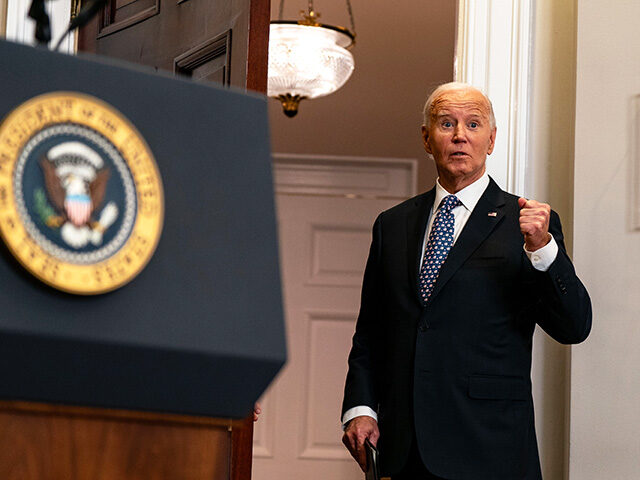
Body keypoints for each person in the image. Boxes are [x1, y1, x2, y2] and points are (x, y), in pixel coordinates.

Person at [340, 82, 592, 480]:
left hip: (491, 450)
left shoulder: (525, 223)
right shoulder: (393, 225)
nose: (460, 135)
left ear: (491, 140)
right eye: (446, 123)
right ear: (427, 138)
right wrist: (360, 407)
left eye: (473, 124)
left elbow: (574, 326)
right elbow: (370, 332)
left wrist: (543, 249)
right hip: (406, 451)